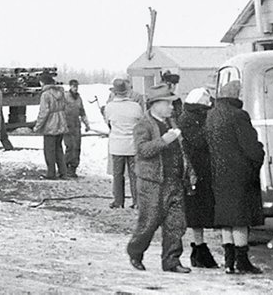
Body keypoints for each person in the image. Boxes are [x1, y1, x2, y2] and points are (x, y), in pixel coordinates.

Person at [125, 84, 189, 272]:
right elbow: (143, 150)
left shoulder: (172, 123)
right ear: (155, 104)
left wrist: (188, 172)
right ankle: (135, 252)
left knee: (176, 223)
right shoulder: (143, 125)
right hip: (152, 183)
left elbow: (181, 151)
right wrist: (164, 140)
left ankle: (172, 261)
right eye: (168, 103)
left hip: (174, 181)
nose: (171, 107)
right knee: (149, 222)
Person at [207, 79, 265, 275]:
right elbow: (251, 147)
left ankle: (229, 262)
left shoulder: (212, 115)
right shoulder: (238, 116)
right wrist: (260, 153)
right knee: (240, 218)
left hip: (218, 173)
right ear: (236, 96)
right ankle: (242, 261)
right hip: (239, 173)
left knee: (226, 218)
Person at [178, 87, 219, 269]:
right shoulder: (190, 119)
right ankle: (199, 250)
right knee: (197, 212)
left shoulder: (190, 117)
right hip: (197, 171)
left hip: (199, 171)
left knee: (198, 212)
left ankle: (199, 249)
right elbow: (200, 141)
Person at [104, 78, 144, 207]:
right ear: (127, 92)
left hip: (117, 145)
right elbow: (141, 123)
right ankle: (137, 201)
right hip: (132, 144)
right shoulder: (136, 107)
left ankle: (118, 201)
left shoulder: (110, 107)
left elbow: (108, 123)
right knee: (134, 175)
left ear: (114, 93)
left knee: (117, 175)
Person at [32, 72, 68, 180]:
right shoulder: (61, 92)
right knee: (59, 149)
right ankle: (63, 172)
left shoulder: (45, 94)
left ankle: (51, 173)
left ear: (43, 82)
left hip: (50, 125)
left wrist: (37, 127)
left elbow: (44, 112)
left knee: (49, 150)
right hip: (61, 122)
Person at [63, 79, 95, 178]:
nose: (75, 88)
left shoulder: (78, 98)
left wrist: (87, 124)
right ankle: (64, 168)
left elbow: (82, 112)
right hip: (67, 125)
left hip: (76, 126)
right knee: (70, 146)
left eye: (76, 86)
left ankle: (73, 168)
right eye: (73, 86)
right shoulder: (65, 97)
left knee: (77, 147)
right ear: (70, 86)